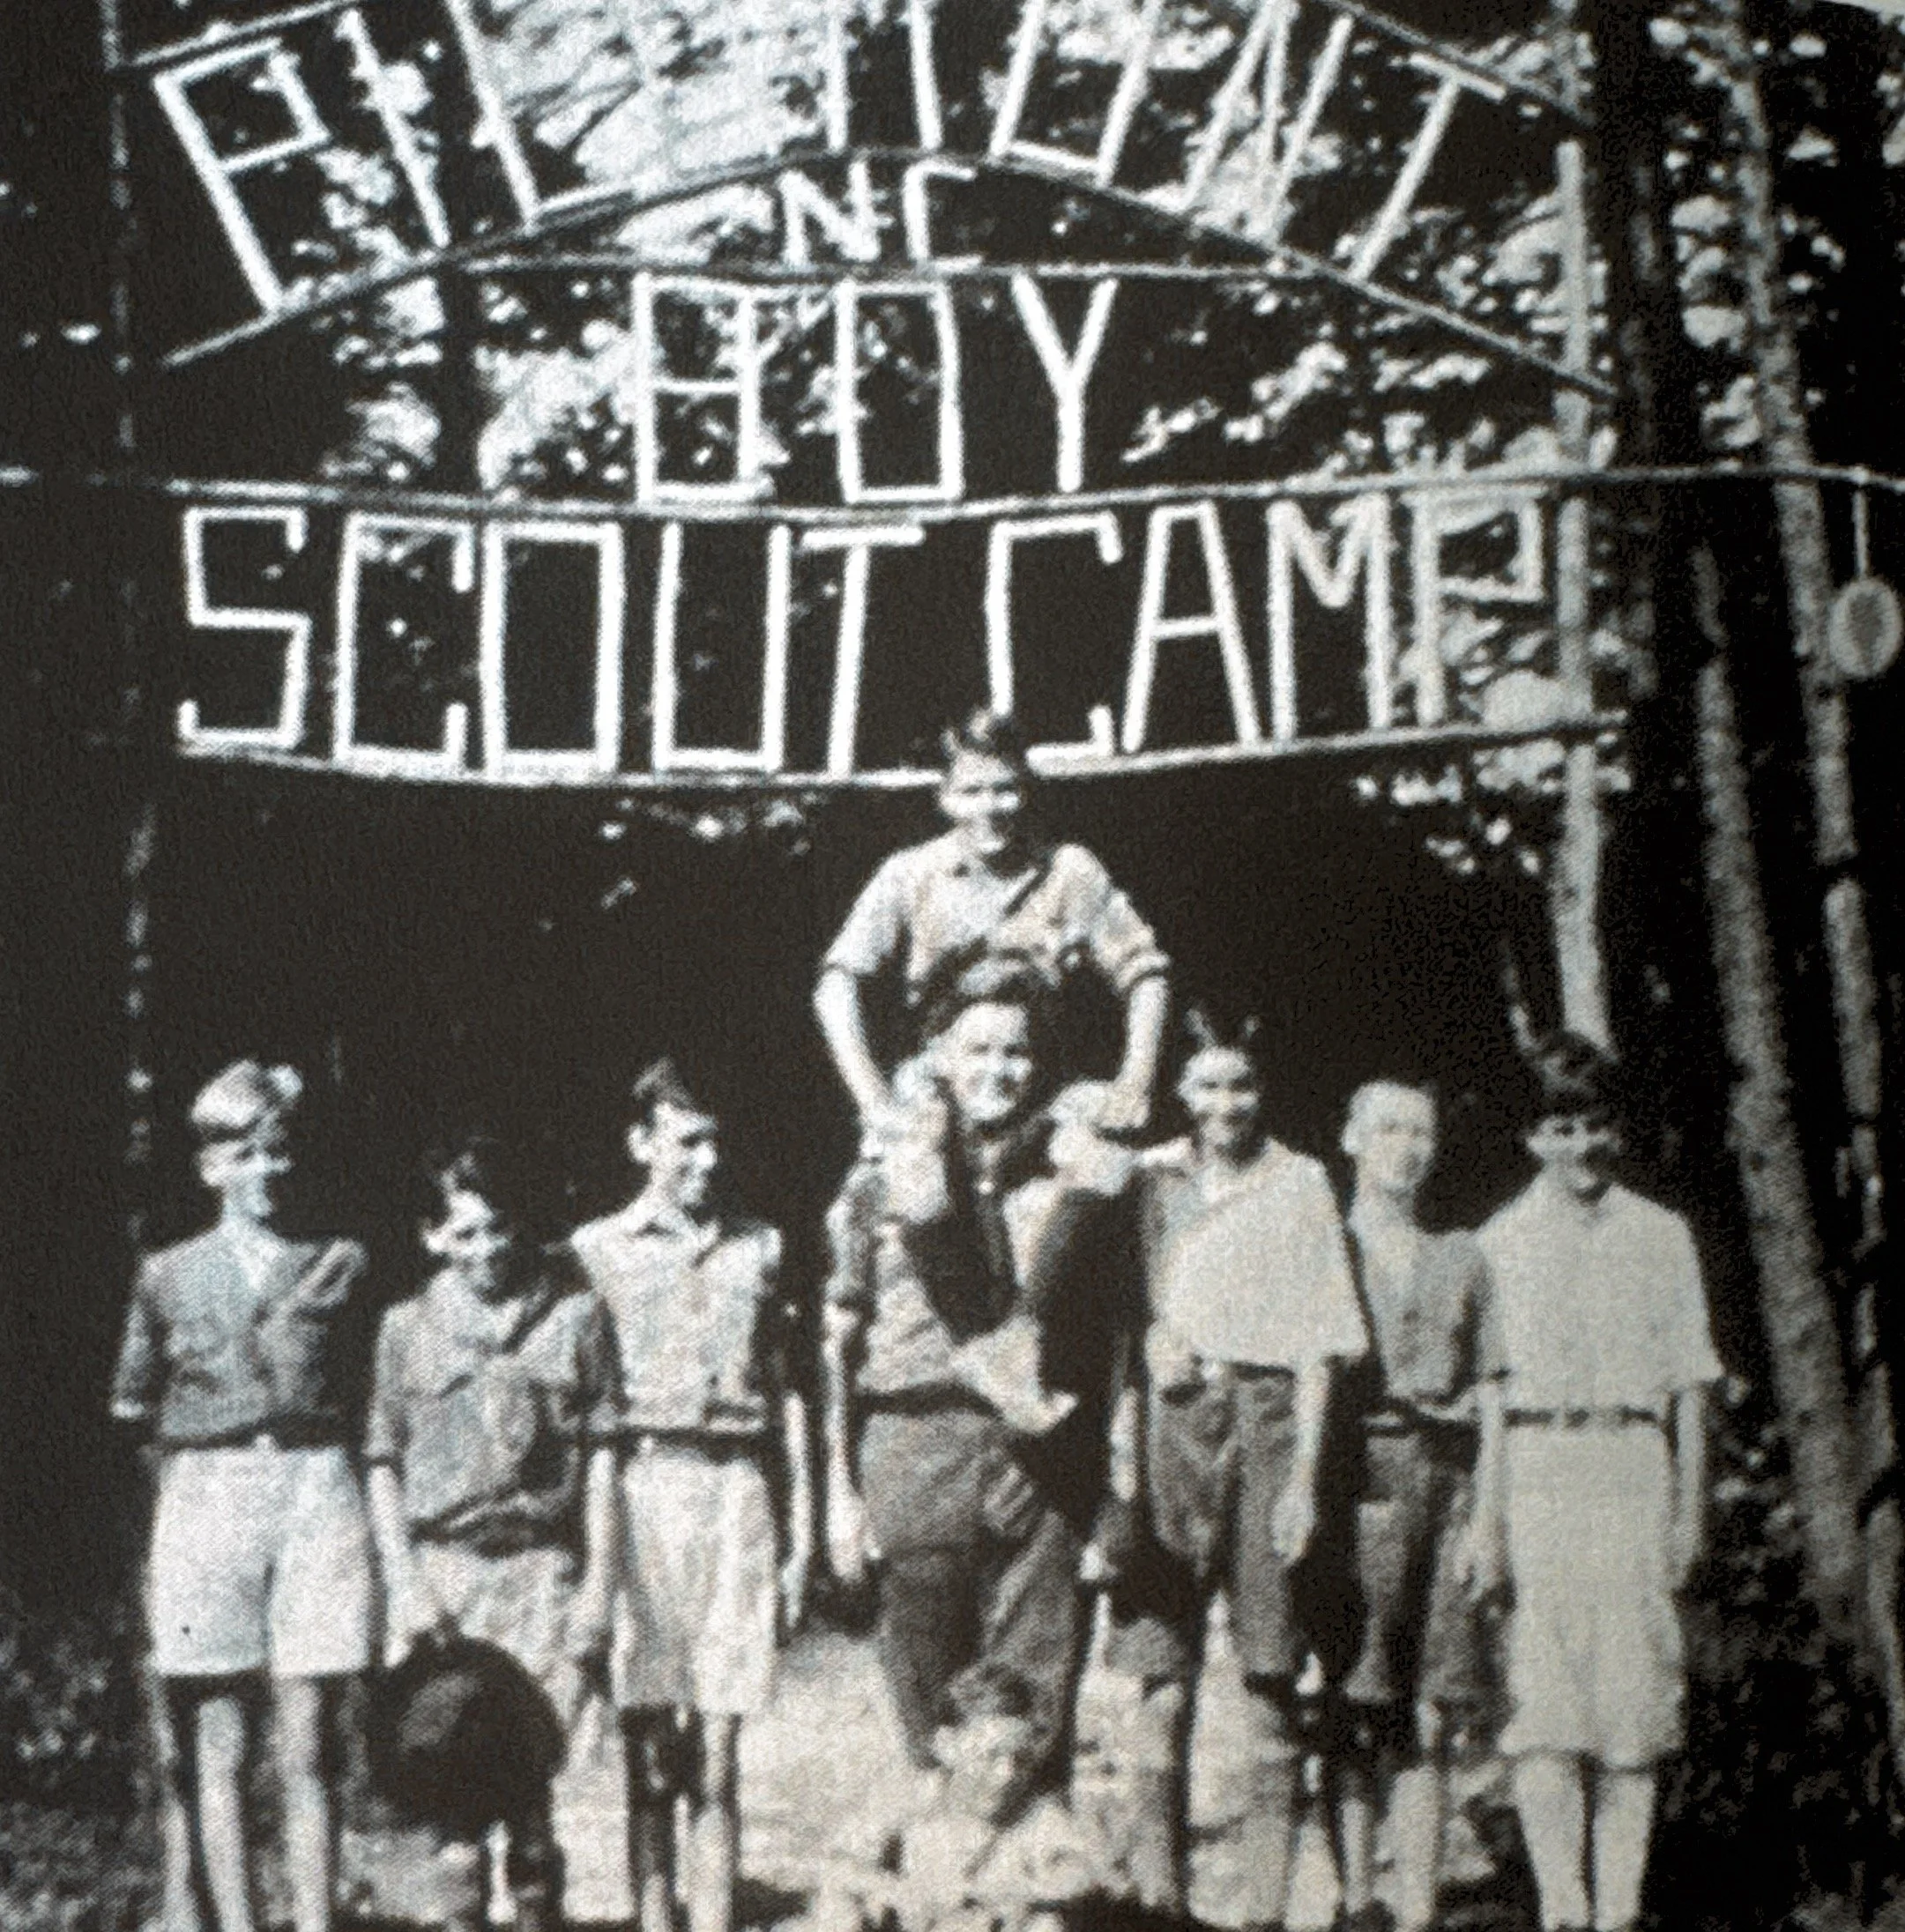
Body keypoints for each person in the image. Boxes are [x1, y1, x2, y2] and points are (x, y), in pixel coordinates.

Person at [821, 955, 1137, 1797]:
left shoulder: (1075, 1176)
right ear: (938, 1057)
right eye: (978, 1050)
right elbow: (837, 1351)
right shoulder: (879, 1179)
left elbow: (1116, 1340)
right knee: (930, 1703)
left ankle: (1037, 1870)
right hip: (915, 1443)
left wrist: (1112, 1478)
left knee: (1036, 1697)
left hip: (1041, 1452)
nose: (998, 1071)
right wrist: (837, 1493)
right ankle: (943, 1865)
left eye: (1017, 1052)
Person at [1097, 1017, 1368, 1931]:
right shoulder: (1148, 1178)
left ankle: (1264, 1911)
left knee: (1268, 1674)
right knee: (1160, 1673)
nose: (1224, 1103)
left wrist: (1303, 1480)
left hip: (1269, 1420)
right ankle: (1158, 1905)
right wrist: (1149, 1342)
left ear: (1263, 1090)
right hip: (1171, 1424)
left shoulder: (1300, 1181)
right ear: (1180, 1092)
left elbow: (1323, 1340)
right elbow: (1109, 1307)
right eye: (1206, 1085)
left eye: (1240, 1084)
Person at [110, 1061, 376, 1932]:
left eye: (279, 1151)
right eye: (245, 1155)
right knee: (217, 1736)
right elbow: (135, 1406)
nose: (267, 1170)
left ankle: (315, 1919)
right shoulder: (167, 1274)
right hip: (206, 1492)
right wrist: (179, 1513)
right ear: (210, 1168)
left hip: (315, 1488)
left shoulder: (340, 1261)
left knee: (309, 1734)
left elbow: (370, 1396)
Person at [1478, 1035, 1722, 1932]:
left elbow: (1690, 1385)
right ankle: (1562, 1907)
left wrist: (1688, 1513)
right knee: (1543, 1702)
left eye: (1594, 1125)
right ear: (1531, 1136)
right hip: (1537, 1471)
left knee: (1630, 1702)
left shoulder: (1661, 1236)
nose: (1580, 1146)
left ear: (1616, 1129)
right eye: (1559, 1127)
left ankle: (1618, 1911)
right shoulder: (1496, 1242)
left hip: (1630, 1469)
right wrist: (1486, 1523)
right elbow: (1490, 1402)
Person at [569, 1061, 815, 1932]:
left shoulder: (761, 1246)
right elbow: (584, 1412)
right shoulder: (596, 1250)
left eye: (715, 1140)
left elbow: (790, 1395)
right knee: (649, 1747)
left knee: (717, 1745)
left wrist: (802, 1533)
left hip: (736, 1490)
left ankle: (710, 1916)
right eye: (687, 1141)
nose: (707, 1159)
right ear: (641, 1144)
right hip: (643, 1490)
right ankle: (652, 1915)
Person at [363, 1135, 621, 1932]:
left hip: (540, 1573)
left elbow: (603, 1458)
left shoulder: (576, 1316)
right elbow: (382, 1463)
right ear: (432, 1236)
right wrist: (405, 1586)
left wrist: (598, 1587)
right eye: (464, 1232)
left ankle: (540, 1913)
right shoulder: (406, 1328)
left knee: (533, 1786)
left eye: (499, 1227)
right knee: (454, 1794)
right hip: (448, 1579)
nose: (486, 1249)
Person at [815, 707, 1171, 1145]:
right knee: (909, 1176)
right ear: (945, 798)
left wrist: (1134, 1084)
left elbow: (1146, 975)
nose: (989, 809)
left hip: (1045, 1084)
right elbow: (837, 984)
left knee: (1098, 1166)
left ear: (1027, 791)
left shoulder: (1069, 870)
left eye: (1005, 790)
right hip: (937, 1083)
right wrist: (874, 1100)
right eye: (971, 792)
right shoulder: (910, 873)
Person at [1330, 1080, 1507, 1932]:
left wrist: (1487, 1519)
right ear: (1350, 1140)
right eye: (1388, 1130)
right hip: (1353, 1480)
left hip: (1447, 1486)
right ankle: (1356, 1903)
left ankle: (1417, 1912)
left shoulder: (1461, 1255)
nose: (1406, 1148)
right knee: (1358, 1706)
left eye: (1421, 1133)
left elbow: (1493, 1390)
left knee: (1432, 1710)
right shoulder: (1325, 1246)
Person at [813, 1663, 1108, 1932]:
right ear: (946, 1746)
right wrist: (900, 1890)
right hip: (914, 1919)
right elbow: (836, 1863)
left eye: (1021, 1759)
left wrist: (1002, 1893)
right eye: (989, 1756)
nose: (1006, 1774)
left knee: (1047, 1924)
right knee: (836, 1903)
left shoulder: (1032, 1811)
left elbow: (1083, 1873)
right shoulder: (915, 1794)